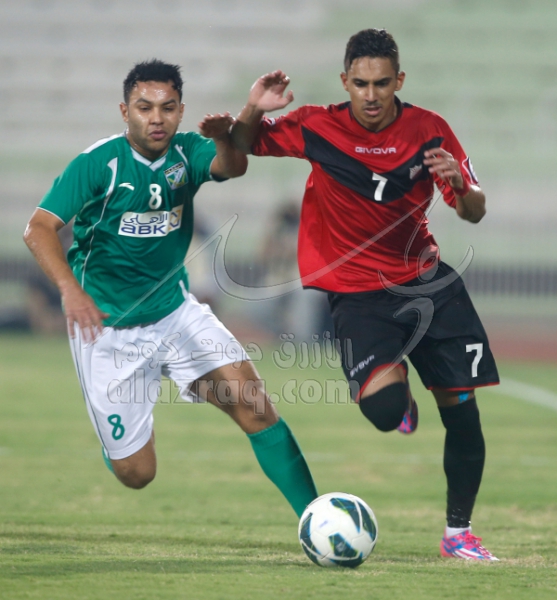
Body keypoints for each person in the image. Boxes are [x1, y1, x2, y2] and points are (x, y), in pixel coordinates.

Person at [228, 29, 500, 560]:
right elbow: (242, 144)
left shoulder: (430, 131)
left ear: (399, 80)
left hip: (427, 284)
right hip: (356, 293)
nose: (371, 95)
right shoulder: (317, 125)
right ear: (344, 81)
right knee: (384, 411)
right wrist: (253, 108)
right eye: (361, 84)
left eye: (381, 83)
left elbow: (474, 211)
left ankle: (458, 535)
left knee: (462, 411)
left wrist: (462, 187)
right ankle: (401, 400)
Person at [23, 59, 317, 518]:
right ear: (125, 112)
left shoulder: (187, 151)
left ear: (181, 111)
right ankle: (119, 442)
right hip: (108, 329)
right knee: (137, 473)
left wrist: (238, 123)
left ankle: (316, 517)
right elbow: (38, 228)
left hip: (174, 313)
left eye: (168, 107)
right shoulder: (98, 163)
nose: (156, 118)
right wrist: (70, 290)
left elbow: (232, 165)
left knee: (254, 404)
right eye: (144, 108)